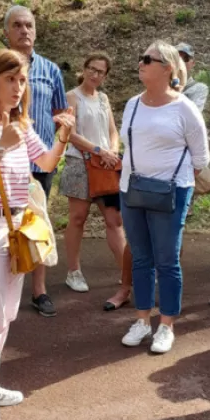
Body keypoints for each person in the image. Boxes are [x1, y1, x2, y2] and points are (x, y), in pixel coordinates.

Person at [0, 49, 75, 420]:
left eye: (22, 80)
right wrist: (2, 145)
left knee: (6, 315)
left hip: (16, 228)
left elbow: (44, 164)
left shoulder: (22, 126)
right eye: (10, 79)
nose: (17, 87)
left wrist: (62, 138)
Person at [119, 41, 210, 354]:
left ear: (168, 67)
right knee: (141, 258)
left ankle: (167, 325)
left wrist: (172, 181)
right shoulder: (132, 104)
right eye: (141, 57)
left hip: (170, 192)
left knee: (167, 260)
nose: (141, 62)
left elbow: (201, 159)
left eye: (149, 59)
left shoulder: (184, 108)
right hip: (131, 190)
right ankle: (142, 320)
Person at [3, 6, 68, 318]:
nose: (24, 31)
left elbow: (61, 114)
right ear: (7, 32)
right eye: (17, 25)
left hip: (39, 165)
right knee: (4, 227)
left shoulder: (50, 70)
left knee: (37, 223)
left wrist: (59, 142)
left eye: (29, 25)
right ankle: (5, 290)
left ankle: (39, 290)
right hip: (2, 164)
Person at [60, 53, 130, 310]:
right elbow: (70, 134)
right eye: (91, 68)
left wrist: (111, 152)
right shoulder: (72, 96)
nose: (95, 74)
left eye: (100, 71)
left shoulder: (103, 98)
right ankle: (73, 271)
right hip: (80, 163)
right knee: (78, 218)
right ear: (84, 68)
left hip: (105, 166)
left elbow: (112, 130)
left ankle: (126, 274)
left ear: (105, 75)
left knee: (115, 220)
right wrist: (100, 151)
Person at [176, 42, 209, 112]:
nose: (181, 62)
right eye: (177, 58)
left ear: (193, 63)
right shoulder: (162, 86)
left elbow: (193, 114)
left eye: (185, 59)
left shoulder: (199, 88)